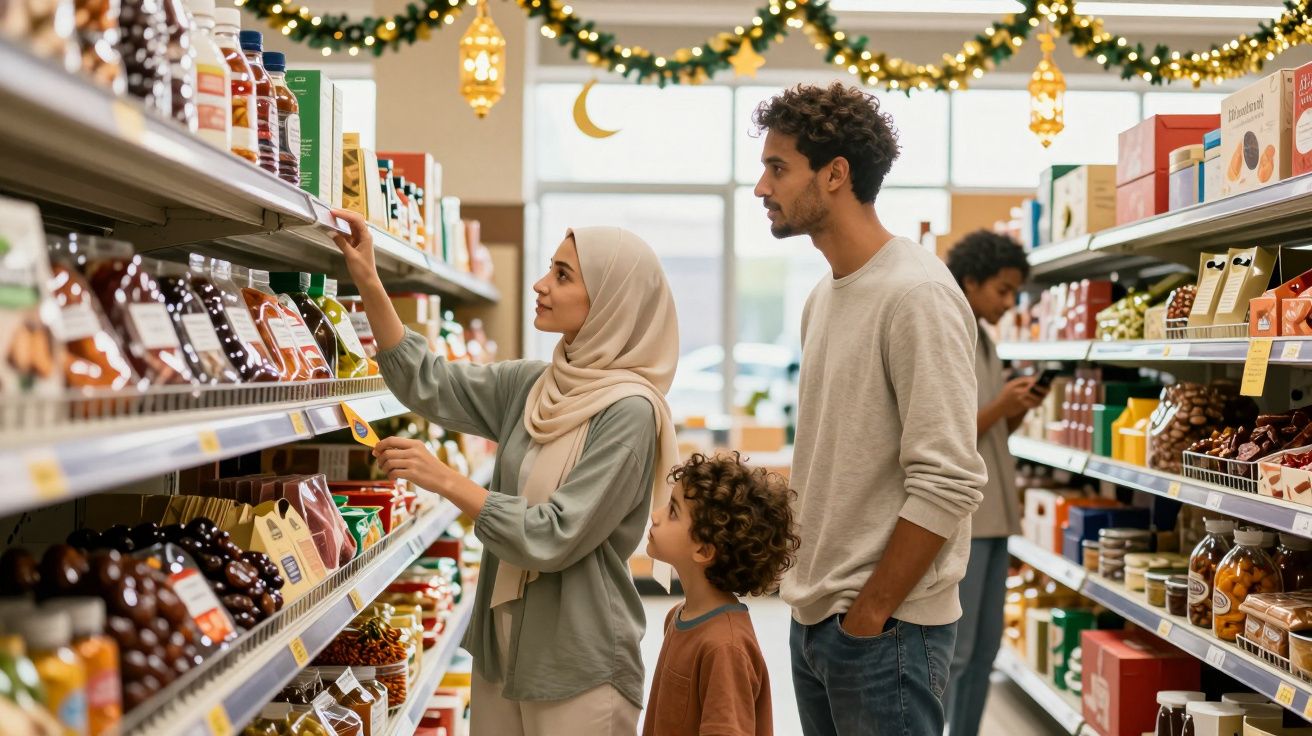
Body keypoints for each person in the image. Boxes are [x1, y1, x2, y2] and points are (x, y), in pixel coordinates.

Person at [330, 209, 680, 736]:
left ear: (611, 303)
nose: (541, 284)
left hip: (577, 661)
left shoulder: (628, 412)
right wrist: (369, 279)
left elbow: (555, 534)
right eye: (549, 269)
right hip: (502, 643)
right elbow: (429, 382)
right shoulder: (534, 385)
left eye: (563, 275)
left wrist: (447, 480)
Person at [752, 82, 987, 735]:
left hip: (888, 635)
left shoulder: (915, 295)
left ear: (835, 175)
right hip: (817, 622)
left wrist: (870, 613)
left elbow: (949, 478)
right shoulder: (823, 299)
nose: (761, 188)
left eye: (778, 168)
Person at [943, 230, 1047, 736]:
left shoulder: (984, 334)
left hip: (996, 516)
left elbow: (987, 432)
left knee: (985, 650)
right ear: (970, 281)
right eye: (1003, 290)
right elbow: (942, 434)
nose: (1010, 303)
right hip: (967, 520)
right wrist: (999, 408)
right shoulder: (950, 332)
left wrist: (1014, 413)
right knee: (958, 653)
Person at [642, 452, 800, 736]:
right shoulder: (677, 617)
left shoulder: (725, 647)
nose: (655, 516)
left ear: (704, 550)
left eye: (673, 512)